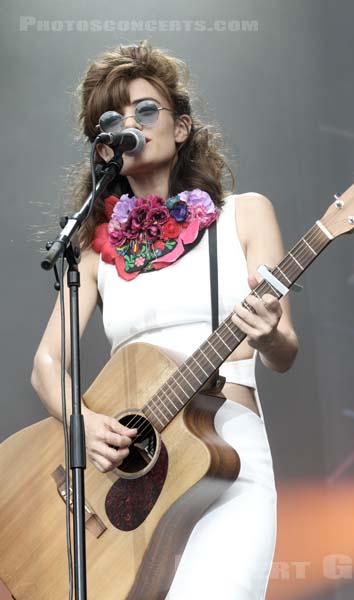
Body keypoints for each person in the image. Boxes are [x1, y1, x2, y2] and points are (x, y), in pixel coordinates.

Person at [31, 40, 299, 600]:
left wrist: (270, 332)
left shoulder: (243, 216)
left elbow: (284, 353)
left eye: (145, 110)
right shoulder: (95, 252)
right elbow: (47, 364)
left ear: (181, 127)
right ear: (104, 149)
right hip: (133, 479)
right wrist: (79, 421)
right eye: (111, 120)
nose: (129, 125)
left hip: (225, 456)